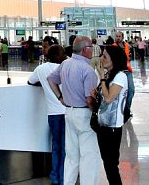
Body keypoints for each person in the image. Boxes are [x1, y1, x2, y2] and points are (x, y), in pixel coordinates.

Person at [48, 36, 100, 185]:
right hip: (84, 114)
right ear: (85, 50)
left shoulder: (65, 64)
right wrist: (96, 112)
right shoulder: (88, 70)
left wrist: (60, 97)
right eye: (91, 48)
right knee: (88, 156)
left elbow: (51, 79)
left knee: (71, 156)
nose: (92, 50)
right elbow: (89, 99)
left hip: (69, 113)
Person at [28, 45, 67, 185]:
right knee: (65, 148)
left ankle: (54, 177)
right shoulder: (65, 67)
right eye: (62, 53)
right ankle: (63, 178)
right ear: (58, 55)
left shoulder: (41, 69)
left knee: (55, 146)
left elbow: (30, 81)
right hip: (67, 113)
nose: (65, 55)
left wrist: (44, 84)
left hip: (53, 114)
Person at [95, 45, 129, 185]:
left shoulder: (120, 76)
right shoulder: (109, 75)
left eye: (105, 57)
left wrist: (102, 79)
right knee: (107, 163)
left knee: (111, 164)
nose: (101, 59)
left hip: (112, 126)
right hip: (103, 124)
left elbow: (109, 98)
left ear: (113, 60)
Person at [114, 32, 135, 120]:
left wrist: (128, 57)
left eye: (119, 36)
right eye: (116, 36)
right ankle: (118, 110)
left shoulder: (127, 46)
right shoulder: (112, 47)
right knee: (118, 92)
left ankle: (127, 109)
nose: (118, 38)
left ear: (122, 37)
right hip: (117, 72)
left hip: (127, 71)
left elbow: (130, 57)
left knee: (131, 90)